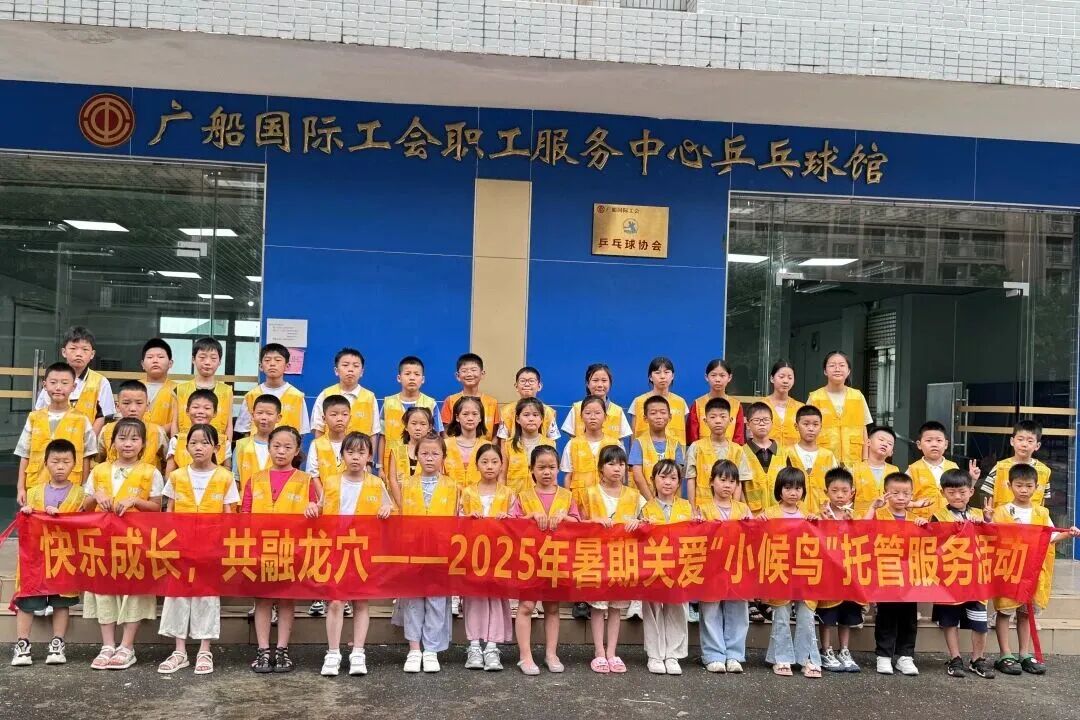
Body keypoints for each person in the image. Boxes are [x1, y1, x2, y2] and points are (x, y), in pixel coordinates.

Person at [81, 418, 164, 671]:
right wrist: (97, 496)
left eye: (134, 439)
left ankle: (127, 646)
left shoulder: (151, 472)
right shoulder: (99, 471)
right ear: (112, 442)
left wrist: (136, 501)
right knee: (103, 590)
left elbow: (157, 507)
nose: (128, 444)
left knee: (134, 591)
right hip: (103, 541)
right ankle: (107, 645)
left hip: (136, 541)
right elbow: (84, 506)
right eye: (122, 438)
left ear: (143, 444)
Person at [156, 424, 239, 676]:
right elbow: (169, 511)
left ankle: (204, 649)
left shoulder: (225, 477)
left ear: (216, 447)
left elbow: (229, 515)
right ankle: (179, 651)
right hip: (181, 546)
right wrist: (169, 544)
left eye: (205, 443)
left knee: (207, 596)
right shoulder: (177, 476)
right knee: (177, 596)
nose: (199, 447)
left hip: (210, 548)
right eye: (193, 443)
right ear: (186, 447)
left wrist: (224, 547)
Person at [242, 426, 321, 673]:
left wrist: (313, 509)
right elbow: (245, 513)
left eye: (288, 447)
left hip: (291, 548)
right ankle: (263, 650)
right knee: (263, 599)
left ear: (297, 451)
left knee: (287, 599)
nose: (281, 451)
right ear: (269, 447)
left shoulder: (306, 480)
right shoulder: (255, 479)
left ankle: (282, 649)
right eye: (276, 446)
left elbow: (316, 512)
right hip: (261, 547)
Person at [991, 463, 1080, 676]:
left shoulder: (1041, 512)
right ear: (1009, 485)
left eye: (1028, 486)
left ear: (1037, 487)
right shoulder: (1001, 512)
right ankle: (1005, 654)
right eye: (1019, 485)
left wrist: (1068, 534)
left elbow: (1050, 537)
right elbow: (993, 537)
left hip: (1032, 572)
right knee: (1004, 612)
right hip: (1009, 570)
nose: (1024, 490)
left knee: (1025, 613)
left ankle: (1024, 653)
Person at [319, 432, 393, 677]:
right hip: (335, 549)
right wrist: (312, 508)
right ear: (342, 455)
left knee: (361, 601)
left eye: (361, 452)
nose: (355, 457)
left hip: (363, 550)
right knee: (336, 601)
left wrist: (387, 508)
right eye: (350, 452)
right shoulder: (330, 481)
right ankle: (332, 652)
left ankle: (358, 652)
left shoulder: (376, 483)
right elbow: (320, 508)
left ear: (369, 456)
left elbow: (390, 508)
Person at [11, 439, 86, 667]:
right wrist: (27, 513)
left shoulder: (81, 494)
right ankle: (22, 644)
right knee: (27, 598)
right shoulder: (33, 492)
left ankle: (57, 642)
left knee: (61, 601)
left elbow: (83, 524)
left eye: (66, 461)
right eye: (55, 461)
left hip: (63, 556)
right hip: (35, 557)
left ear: (74, 464)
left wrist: (63, 516)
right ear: (45, 463)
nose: (60, 466)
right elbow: (25, 525)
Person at [510, 445, 580, 675]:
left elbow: (579, 524)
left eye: (551, 467)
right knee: (526, 606)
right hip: (529, 560)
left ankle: (551, 653)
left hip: (556, 559)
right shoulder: (523, 496)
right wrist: (530, 516)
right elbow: (510, 525)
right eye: (541, 467)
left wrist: (565, 518)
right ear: (532, 469)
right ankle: (525, 655)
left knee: (552, 606)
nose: (547, 472)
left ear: (559, 468)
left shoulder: (567, 496)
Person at [394, 432, 459, 673]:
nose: (429, 458)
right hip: (413, 550)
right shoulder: (407, 484)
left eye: (435, 453)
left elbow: (458, 517)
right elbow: (399, 515)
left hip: (441, 551)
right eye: (424, 453)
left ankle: (431, 649)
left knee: (436, 600)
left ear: (443, 457)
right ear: (416, 455)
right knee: (413, 599)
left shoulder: (453, 486)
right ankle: (414, 648)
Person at [581, 444, 644, 674]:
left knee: (616, 607)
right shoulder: (589, 493)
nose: (617, 469)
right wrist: (593, 522)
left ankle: (612, 652)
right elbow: (577, 523)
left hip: (622, 557)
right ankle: (599, 651)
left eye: (621, 464)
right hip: (596, 556)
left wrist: (638, 522)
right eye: (611, 464)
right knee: (598, 607)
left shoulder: (634, 496)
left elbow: (647, 521)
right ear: (601, 468)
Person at [930, 468, 994, 679]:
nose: (957, 496)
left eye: (962, 492)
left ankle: (977, 659)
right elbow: (931, 544)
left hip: (976, 578)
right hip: (950, 578)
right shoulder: (938, 516)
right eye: (951, 492)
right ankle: (955, 658)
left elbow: (993, 541)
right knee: (950, 620)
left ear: (971, 491)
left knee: (980, 622)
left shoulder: (980, 515)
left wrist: (988, 522)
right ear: (943, 493)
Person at [760, 467, 821, 678]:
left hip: (805, 570)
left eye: (798, 488)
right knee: (781, 615)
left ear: (803, 490)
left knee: (807, 616)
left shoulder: (808, 514)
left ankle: (808, 659)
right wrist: (759, 523)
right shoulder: (769, 513)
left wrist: (817, 523)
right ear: (779, 489)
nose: (793, 493)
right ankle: (781, 657)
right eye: (787, 488)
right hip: (780, 569)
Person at [459, 443, 515, 672]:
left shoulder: (508, 493)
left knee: (497, 599)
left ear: (501, 465)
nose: (490, 466)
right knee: (474, 599)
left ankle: (492, 647)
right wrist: (467, 518)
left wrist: (508, 518)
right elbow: (457, 521)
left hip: (500, 555)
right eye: (484, 462)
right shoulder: (467, 492)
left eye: (494, 462)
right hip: (473, 553)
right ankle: (474, 645)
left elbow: (518, 523)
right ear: (477, 465)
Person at [865, 471, 927, 676]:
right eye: (895, 493)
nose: (901, 497)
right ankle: (883, 656)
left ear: (912, 495)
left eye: (906, 494)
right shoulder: (880, 515)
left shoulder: (915, 519)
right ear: (886, 493)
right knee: (886, 615)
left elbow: (927, 543)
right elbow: (862, 529)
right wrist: (873, 508)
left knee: (908, 617)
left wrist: (924, 527)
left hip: (909, 575)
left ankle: (905, 656)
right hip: (886, 573)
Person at [697, 459, 751, 673]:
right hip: (712, 567)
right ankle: (713, 655)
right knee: (710, 610)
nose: (727, 485)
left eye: (732, 481)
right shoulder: (703, 509)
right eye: (722, 480)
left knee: (738, 610)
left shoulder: (743, 509)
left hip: (737, 567)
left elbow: (755, 537)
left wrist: (751, 523)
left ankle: (734, 655)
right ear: (712, 482)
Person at [15, 362, 96, 506]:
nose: (58, 387)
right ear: (45, 385)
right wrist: (20, 487)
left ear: (73, 387)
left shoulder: (81, 419)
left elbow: (87, 456)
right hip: (36, 487)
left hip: (70, 489)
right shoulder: (34, 418)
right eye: (53, 382)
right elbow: (24, 454)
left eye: (64, 383)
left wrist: (84, 487)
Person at [639, 459, 692, 674]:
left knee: (677, 608)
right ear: (653, 480)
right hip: (654, 565)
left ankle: (673, 654)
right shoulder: (646, 508)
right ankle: (654, 654)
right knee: (652, 609)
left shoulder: (687, 507)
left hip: (679, 567)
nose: (667, 482)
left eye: (673, 478)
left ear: (679, 482)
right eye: (662, 477)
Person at [814, 467, 862, 673]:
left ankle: (844, 650)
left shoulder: (855, 515)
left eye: (844, 491)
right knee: (828, 613)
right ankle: (826, 650)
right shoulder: (820, 514)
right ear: (826, 492)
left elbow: (865, 538)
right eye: (834, 491)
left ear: (852, 492)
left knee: (847, 615)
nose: (840, 495)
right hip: (828, 573)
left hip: (849, 572)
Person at [35, 326, 115, 434]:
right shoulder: (53, 378)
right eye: (73, 348)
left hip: (87, 440)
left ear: (92, 354)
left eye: (85, 349)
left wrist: (89, 440)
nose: (78, 354)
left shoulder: (101, 382)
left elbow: (103, 416)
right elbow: (41, 411)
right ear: (64, 352)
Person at [767, 405, 837, 515]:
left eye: (815, 424)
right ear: (796, 426)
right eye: (806, 424)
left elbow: (836, 486)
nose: (811, 428)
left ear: (821, 427)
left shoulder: (828, 455)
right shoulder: (786, 453)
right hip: (795, 514)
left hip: (823, 514)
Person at [685, 397, 752, 511]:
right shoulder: (696, 447)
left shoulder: (737, 450)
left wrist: (734, 509)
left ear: (731, 420)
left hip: (729, 510)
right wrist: (693, 509)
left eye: (723, 416)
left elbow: (738, 482)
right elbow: (691, 479)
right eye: (713, 417)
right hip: (702, 510)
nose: (718, 421)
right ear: (705, 421)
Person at [806, 351, 871, 465]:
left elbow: (863, 429)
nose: (837, 369)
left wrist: (865, 459)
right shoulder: (815, 397)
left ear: (848, 371)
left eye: (841, 365)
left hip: (853, 461)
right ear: (825, 371)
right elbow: (806, 429)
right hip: (823, 460)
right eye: (832, 365)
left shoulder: (858, 396)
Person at [380, 356, 443, 471]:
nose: (412, 378)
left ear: (423, 379)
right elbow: (382, 437)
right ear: (399, 378)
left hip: (424, 465)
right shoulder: (388, 403)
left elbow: (437, 437)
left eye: (417, 374)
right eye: (407, 374)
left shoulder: (430, 403)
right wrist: (380, 466)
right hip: (392, 464)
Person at [172, 337, 233, 450]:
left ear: (219, 361)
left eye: (213, 358)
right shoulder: (180, 389)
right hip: (185, 447)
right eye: (202, 357)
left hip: (216, 448)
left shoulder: (227, 391)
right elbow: (174, 423)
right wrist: (175, 447)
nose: (207, 362)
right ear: (193, 359)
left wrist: (226, 449)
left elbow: (229, 425)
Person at [236, 344, 310, 436]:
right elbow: (244, 430)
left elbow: (301, 432)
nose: (272, 364)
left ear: (287, 366)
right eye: (267, 360)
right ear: (261, 366)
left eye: (278, 360)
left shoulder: (297, 396)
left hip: (285, 444)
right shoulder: (251, 396)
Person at [908, 421, 976, 520]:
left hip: (949, 520)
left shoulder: (953, 466)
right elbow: (904, 499)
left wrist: (972, 480)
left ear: (946, 444)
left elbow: (963, 492)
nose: (934, 444)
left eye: (939, 440)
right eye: (929, 440)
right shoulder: (913, 469)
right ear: (919, 444)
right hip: (921, 522)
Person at [310, 348, 381, 438]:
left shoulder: (370, 398)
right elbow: (319, 428)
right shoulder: (326, 394)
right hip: (330, 447)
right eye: (345, 365)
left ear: (362, 372)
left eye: (356, 366)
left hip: (360, 447)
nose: (350, 369)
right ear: (336, 371)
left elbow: (373, 432)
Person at [98, 380, 167, 469]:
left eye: (139, 403)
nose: (133, 409)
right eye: (126, 403)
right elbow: (100, 459)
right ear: (117, 406)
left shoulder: (157, 432)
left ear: (147, 406)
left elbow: (167, 460)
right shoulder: (107, 430)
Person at [628, 395, 686, 500]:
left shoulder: (675, 445)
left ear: (670, 417)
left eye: (663, 412)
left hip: (670, 502)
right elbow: (637, 476)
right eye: (653, 413)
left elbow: (678, 475)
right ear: (645, 418)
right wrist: (652, 502)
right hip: (644, 501)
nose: (659, 416)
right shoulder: (638, 443)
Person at [986, 420, 1052, 509]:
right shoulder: (1000, 468)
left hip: (1031, 517)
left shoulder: (1044, 471)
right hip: (1002, 516)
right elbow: (987, 494)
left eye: (1030, 441)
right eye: (1020, 439)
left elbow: (1043, 500)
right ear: (1012, 441)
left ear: (1037, 445)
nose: (1024, 444)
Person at [561, 363, 632, 441]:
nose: (600, 385)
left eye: (604, 380)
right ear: (587, 384)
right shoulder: (577, 408)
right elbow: (571, 441)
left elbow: (620, 442)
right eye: (595, 380)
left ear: (610, 383)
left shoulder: (618, 411)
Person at [166, 389, 230, 472]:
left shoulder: (224, 441)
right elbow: (170, 473)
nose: (200, 411)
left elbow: (227, 470)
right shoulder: (177, 440)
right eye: (196, 407)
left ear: (215, 413)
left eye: (207, 408)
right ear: (187, 411)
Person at [440, 352, 500, 441]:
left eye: (473, 370)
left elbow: (496, 434)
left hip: (485, 449)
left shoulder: (492, 402)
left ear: (482, 374)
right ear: (458, 376)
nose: (469, 374)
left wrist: (489, 448)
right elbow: (445, 431)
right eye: (464, 371)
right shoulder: (450, 400)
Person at [500, 398, 555, 494]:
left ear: (541, 419)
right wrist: (502, 497)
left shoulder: (550, 444)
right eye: (526, 415)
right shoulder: (508, 445)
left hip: (539, 497)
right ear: (517, 419)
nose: (531, 419)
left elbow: (553, 476)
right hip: (514, 497)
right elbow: (502, 475)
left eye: (535, 415)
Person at [497, 367, 560, 447]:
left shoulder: (548, 412)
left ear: (539, 386)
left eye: (531, 381)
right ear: (516, 386)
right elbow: (503, 441)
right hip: (514, 453)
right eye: (522, 381)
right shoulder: (506, 411)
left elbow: (552, 441)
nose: (527, 384)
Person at [629, 356, 688, 442]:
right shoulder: (638, 402)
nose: (662, 376)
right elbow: (634, 434)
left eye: (666, 372)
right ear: (650, 377)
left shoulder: (681, 402)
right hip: (645, 449)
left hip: (675, 450)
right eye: (657, 373)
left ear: (672, 376)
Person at [386, 406, 434, 509]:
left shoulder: (434, 451)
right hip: (400, 506)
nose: (418, 428)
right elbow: (392, 479)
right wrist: (402, 505)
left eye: (423, 424)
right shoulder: (397, 450)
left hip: (425, 506)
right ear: (406, 426)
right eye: (413, 423)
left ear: (430, 428)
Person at [688, 358, 745, 445]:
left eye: (722, 375)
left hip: (730, 452)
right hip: (703, 451)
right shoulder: (698, 404)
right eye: (713, 375)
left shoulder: (736, 405)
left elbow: (739, 438)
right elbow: (693, 436)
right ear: (706, 377)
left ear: (729, 377)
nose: (718, 379)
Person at [848, 425, 899, 519]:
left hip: (887, 521)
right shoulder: (855, 469)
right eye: (881, 439)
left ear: (892, 452)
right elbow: (847, 500)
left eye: (890, 443)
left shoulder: (895, 471)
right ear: (868, 442)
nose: (885, 444)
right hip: (861, 521)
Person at [742, 401, 784, 516]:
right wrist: (745, 512)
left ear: (772, 423)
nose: (761, 424)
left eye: (766, 420)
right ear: (748, 425)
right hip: (752, 515)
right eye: (756, 420)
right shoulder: (741, 452)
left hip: (779, 514)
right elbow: (738, 486)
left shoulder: (784, 452)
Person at [233, 394, 279, 496]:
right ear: (252, 416)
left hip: (275, 502)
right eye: (259, 413)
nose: (264, 417)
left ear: (278, 417)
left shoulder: (282, 447)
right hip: (246, 502)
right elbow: (236, 479)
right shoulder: (242, 445)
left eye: (269, 414)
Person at [443, 395, 487, 488]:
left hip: (477, 496)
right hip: (449, 495)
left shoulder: (487, 447)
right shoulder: (445, 445)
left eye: (475, 414)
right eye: (465, 414)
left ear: (480, 418)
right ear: (457, 417)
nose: (470, 418)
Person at [764, 360, 803, 448]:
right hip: (767, 454)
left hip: (793, 455)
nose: (786, 381)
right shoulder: (761, 406)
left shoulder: (800, 408)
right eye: (781, 377)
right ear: (772, 378)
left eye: (790, 378)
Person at [141, 338, 176, 430]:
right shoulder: (133, 387)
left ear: (170, 363)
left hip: (167, 438)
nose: (155, 361)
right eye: (150, 357)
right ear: (143, 364)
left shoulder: (178, 390)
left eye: (160, 357)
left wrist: (157, 433)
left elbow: (179, 420)